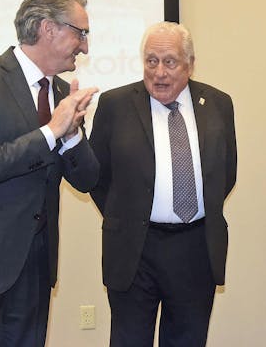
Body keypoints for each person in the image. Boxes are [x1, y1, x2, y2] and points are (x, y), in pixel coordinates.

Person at [0, 0, 99, 346]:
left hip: (36, 264)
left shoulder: (61, 94)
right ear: (47, 28)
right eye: (80, 33)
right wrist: (51, 131)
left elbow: (87, 180)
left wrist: (71, 135)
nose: (85, 46)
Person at [90, 21, 237, 347]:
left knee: (188, 339)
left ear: (190, 64)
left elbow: (225, 174)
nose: (159, 72)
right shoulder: (116, 105)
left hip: (194, 247)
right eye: (151, 61)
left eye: (169, 62)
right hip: (134, 249)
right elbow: (99, 179)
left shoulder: (218, 104)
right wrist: (129, 214)